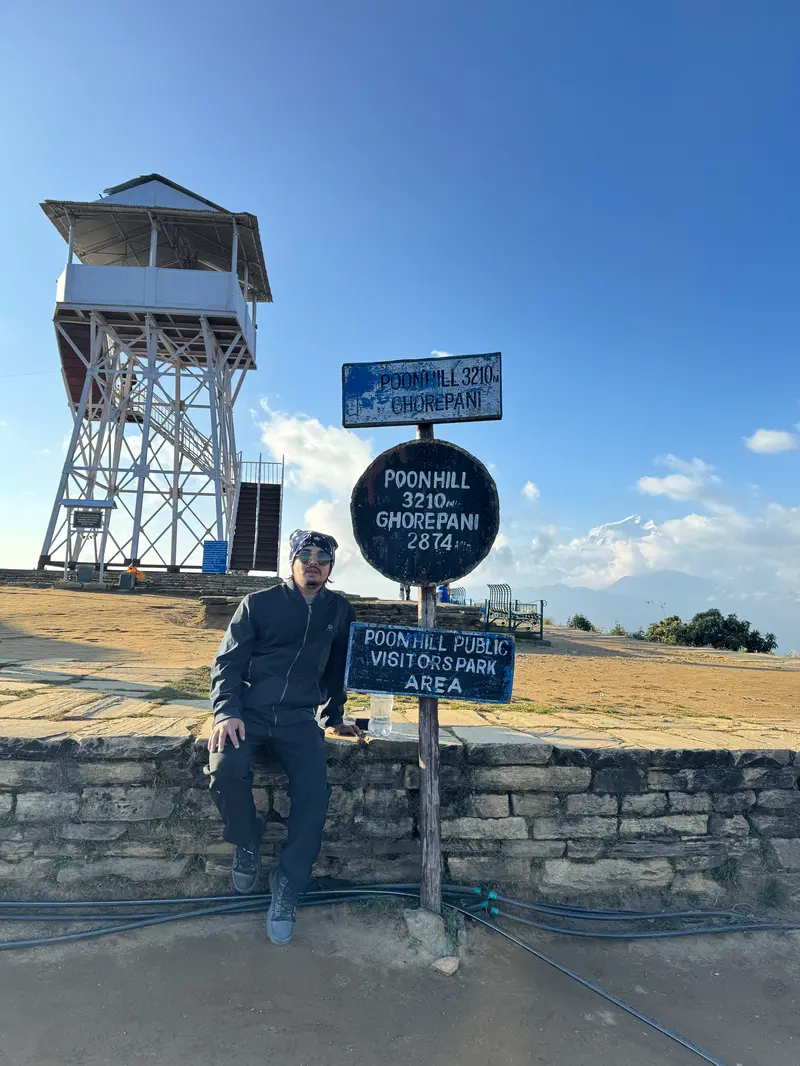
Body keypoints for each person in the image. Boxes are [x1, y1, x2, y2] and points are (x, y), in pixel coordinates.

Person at [206, 529, 359, 946]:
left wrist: (335, 716)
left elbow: (338, 669)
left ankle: (288, 882)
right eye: (305, 554)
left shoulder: (340, 610)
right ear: (291, 560)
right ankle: (247, 842)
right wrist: (226, 712)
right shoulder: (258, 604)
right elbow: (228, 664)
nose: (314, 561)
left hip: (297, 720)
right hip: (250, 714)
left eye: (322, 556)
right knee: (224, 770)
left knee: (314, 793)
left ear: (330, 566)